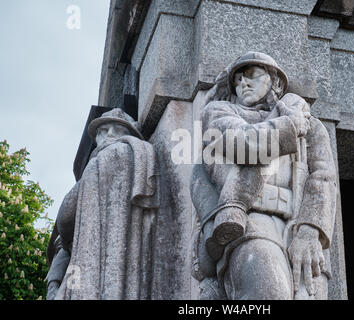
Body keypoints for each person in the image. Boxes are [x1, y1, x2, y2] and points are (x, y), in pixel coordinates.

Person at [191, 52, 336, 299]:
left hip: (298, 227)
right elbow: (245, 144)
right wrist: (290, 126)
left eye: (250, 75)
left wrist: (310, 230)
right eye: (236, 80)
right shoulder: (218, 114)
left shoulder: (310, 125)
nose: (242, 84)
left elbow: (323, 177)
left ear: (276, 82)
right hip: (250, 222)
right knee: (268, 294)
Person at [46, 108, 159, 300]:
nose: (109, 136)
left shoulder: (109, 159)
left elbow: (64, 218)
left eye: (117, 130)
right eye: (103, 131)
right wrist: (53, 281)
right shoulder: (98, 165)